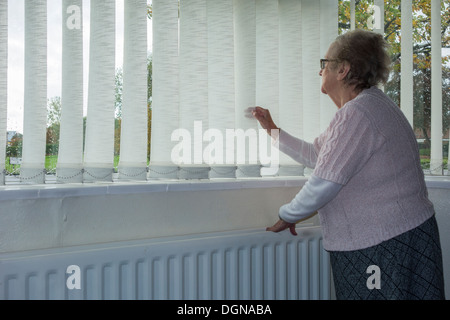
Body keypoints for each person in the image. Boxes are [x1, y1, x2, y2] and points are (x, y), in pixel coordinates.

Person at [252, 29, 445, 300]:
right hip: (406, 236)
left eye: (325, 63)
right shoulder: (370, 107)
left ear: (343, 69)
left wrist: (287, 215)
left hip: (381, 244)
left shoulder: (358, 114)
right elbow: (318, 155)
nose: (320, 71)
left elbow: (324, 181)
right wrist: (272, 130)